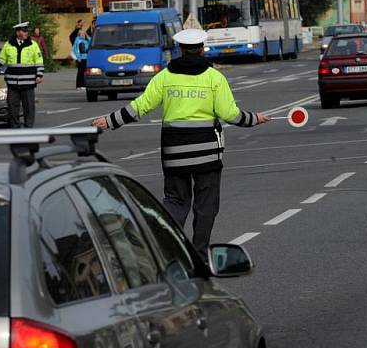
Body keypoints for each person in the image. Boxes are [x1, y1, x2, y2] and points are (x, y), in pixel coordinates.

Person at [92, 28, 269, 254]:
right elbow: (230, 114)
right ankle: (200, 253)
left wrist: (109, 121)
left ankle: (167, 248)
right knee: (206, 207)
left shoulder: (165, 77)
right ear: (202, 49)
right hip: (207, 154)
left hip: (174, 153)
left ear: (180, 49)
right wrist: (255, 119)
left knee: (175, 202)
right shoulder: (214, 78)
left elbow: (140, 106)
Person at [0, 22, 44, 128]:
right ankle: (15, 126)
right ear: (17, 32)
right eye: (24, 31)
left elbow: (39, 61)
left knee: (29, 105)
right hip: (12, 82)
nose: (26, 33)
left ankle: (28, 125)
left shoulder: (33, 45)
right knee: (12, 106)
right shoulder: (8, 44)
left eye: (26, 31)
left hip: (28, 81)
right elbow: (1, 60)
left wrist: (39, 75)